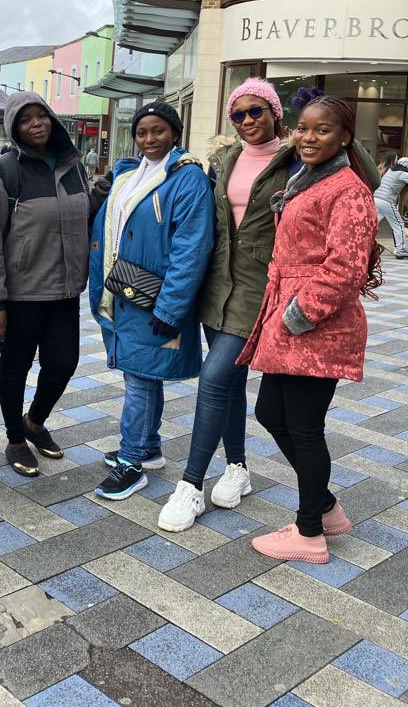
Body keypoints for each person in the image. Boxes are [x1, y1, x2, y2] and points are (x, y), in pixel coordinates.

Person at [241, 96, 379, 564]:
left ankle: (309, 532)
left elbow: (346, 268)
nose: (308, 137)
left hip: (316, 327)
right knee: (270, 413)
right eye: (302, 128)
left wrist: (298, 314)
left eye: (322, 130)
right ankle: (325, 506)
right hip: (289, 319)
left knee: (304, 427)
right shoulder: (308, 180)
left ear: (344, 137)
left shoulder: (350, 191)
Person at [158, 79, 295, 530]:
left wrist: (318, 138)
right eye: (239, 114)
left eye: (258, 111)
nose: (248, 121)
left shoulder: (297, 161)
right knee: (232, 384)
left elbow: (367, 179)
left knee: (215, 379)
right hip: (216, 287)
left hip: (260, 288)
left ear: (275, 112)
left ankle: (190, 486)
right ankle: (237, 467)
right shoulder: (223, 160)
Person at [90, 102, 214, 500]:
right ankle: (150, 446)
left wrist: (170, 309)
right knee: (141, 373)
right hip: (125, 292)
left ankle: (132, 461)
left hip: (153, 296)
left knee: (139, 378)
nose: (148, 139)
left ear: (174, 133)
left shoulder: (187, 178)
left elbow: (190, 248)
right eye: (142, 132)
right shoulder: (130, 173)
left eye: (158, 131)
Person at [0, 92, 92, 476]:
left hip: (65, 290)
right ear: (14, 128)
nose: (37, 124)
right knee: (16, 367)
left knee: (63, 364)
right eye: (26, 119)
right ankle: (14, 438)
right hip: (20, 294)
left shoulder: (74, 167)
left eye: (42, 116)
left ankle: (35, 421)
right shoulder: (2, 172)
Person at [373, 155, 408, 259]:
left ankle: (362, 244)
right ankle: (400, 250)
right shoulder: (402, 173)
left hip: (376, 198)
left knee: (372, 224)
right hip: (386, 201)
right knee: (399, 224)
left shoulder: (390, 171)